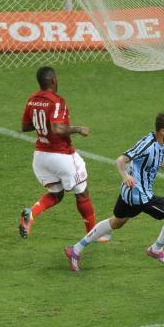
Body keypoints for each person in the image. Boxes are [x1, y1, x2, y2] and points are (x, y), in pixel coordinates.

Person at [64, 112, 164, 271]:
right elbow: (120, 160)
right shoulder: (147, 146)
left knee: (116, 222)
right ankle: (156, 250)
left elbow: (160, 157)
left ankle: (75, 249)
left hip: (129, 194)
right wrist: (125, 175)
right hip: (141, 197)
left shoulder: (161, 141)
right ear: (163, 131)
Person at [19, 66, 110, 241]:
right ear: (53, 80)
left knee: (56, 194)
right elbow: (57, 128)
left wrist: (42, 126)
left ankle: (32, 213)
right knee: (82, 193)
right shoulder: (56, 101)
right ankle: (93, 234)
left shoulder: (32, 100)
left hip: (40, 156)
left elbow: (25, 126)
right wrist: (78, 129)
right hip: (61, 156)